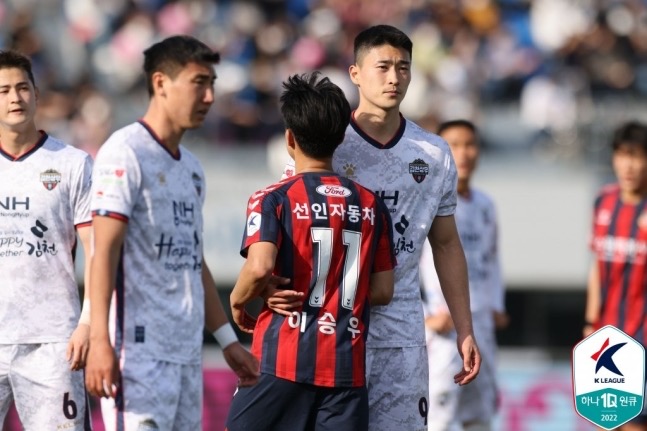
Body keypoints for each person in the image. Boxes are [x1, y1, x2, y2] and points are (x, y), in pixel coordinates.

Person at [277, 25, 481, 431]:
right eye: (383, 66)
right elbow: (291, 224)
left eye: (403, 67)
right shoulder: (326, 143)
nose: (394, 78)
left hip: (403, 333)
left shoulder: (434, 153)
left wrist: (465, 328)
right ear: (355, 73)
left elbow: (446, 244)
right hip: (330, 327)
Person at [84, 35, 260, 430]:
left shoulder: (192, 169)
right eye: (199, 83)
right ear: (161, 83)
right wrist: (99, 341)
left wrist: (228, 341)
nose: (210, 96)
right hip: (138, 357)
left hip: (186, 355)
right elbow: (103, 252)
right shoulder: (125, 152)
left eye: (212, 84)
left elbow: (193, 262)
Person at [225, 71, 396, 431]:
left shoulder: (272, 199)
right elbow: (383, 290)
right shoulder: (371, 205)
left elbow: (259, 268)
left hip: (280, 362)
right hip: (346, 372)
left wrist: (238, 302)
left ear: (289, 138)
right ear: (340, 138)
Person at [0, 50, 93, 430]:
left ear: (37, 94)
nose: (15, 98)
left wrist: (88, 323)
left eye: (22, 88)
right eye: (3, 90)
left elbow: (97, 254)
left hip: (54, 341)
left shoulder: (72, 163)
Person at [419, 120, 509, 431]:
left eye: (470, 144)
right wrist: (426, 315)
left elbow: (492, 258)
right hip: (443, 328)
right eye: (454, 145)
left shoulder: (485, 205)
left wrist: (496, 303)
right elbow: (405, 262)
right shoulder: (424, 200)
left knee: (481, 415)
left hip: (480, 322)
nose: (464, 153)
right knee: (438, 417)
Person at [584, 121, 647, 431]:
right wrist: (589, 322)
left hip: (642, 338)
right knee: (604, 423)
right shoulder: (603, 201)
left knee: (634, 425)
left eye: (636, 156)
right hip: (606, 338)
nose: (628, 165)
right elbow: (598, 267)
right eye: (622, 155)